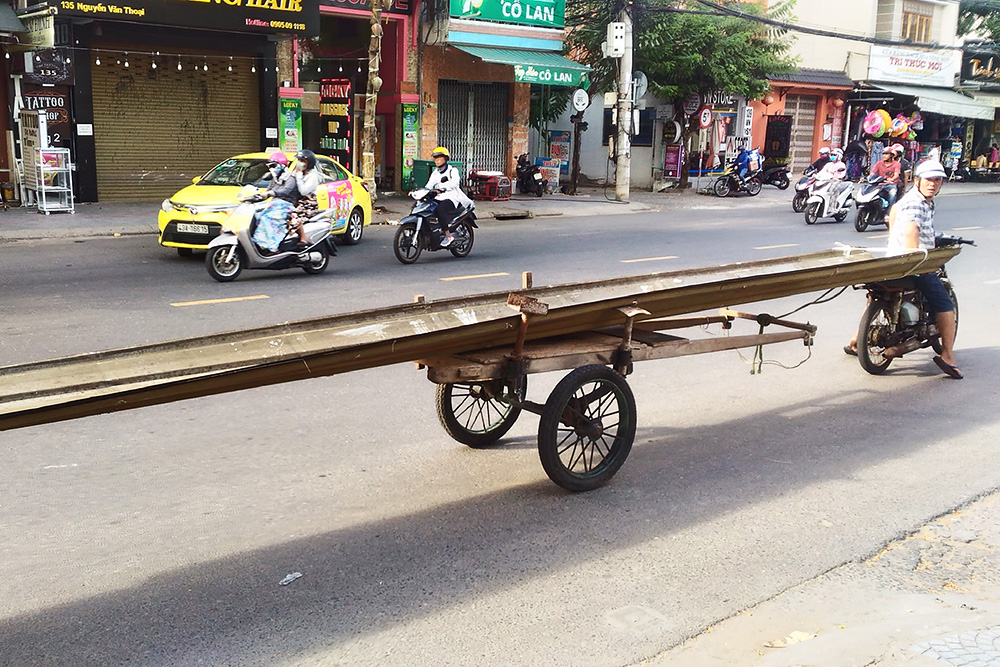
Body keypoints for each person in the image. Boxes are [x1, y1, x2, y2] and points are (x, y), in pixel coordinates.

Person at [844, 160, 962, 379]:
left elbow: (895, 215)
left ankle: (855, 341)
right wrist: (914, 258)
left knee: (876, 297)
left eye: (937, 180)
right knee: (945, 306)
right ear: (917, 181)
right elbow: (912, 231)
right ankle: (947, 355)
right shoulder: (916, 204)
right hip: (915, 264)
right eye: (928, 180)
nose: (933, 184)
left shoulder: (911, 200)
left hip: (895, 261)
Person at [422, 146, 472, 247]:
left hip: (452, 198)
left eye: (439, 158)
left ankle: (447, 235)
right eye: (435, 158)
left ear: (445, 159)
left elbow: (454, 183)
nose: (437, 160)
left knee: (440, 209)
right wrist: (420, 191)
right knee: (426, 207)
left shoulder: (452, 171)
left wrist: (442, 188)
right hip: (439, 197)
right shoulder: (435, 173)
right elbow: (429, 185)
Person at [251, 152, 300, 253]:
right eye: (269, 166)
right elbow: (267, 190)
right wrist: (256, 195)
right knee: (257, 215)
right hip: (274, 204)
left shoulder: (290, 179)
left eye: (273, 166)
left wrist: (271, 193)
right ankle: (261, 244)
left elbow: (286, 191)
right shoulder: (275, 179)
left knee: (268, 218)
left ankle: (274, 246)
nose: (271, 169)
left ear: (282, 166)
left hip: (287, 205)